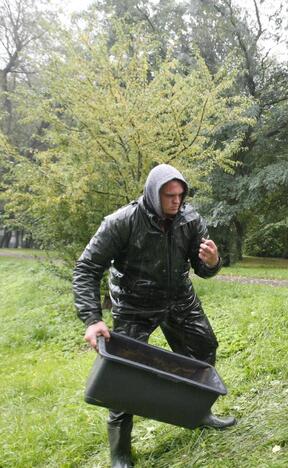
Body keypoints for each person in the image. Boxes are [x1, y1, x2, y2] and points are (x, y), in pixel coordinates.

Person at [73, 164, 235, 468]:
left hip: (179, 300)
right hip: (133, 305)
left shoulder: (191, 219)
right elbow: (86, 268)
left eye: (180, 195)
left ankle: (199, 413)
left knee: (204, 349)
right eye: (169, 195)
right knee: (124, 373)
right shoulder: (122, 221)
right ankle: (120, 451)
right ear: (152, 193)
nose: (176, 201)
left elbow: (203, 269)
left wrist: (213, 261)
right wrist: (92, 319)